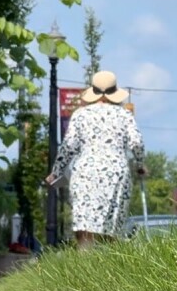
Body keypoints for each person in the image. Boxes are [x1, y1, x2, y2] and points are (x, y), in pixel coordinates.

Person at [45, 71, 146, 249]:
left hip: (85, 173)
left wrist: (56, 173)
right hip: (116, 172)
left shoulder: (80, 115)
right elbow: (136, 143)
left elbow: (68, 147)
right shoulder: (124, 115)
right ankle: (108, 267)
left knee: (85, 226)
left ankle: (85, 267)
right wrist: (139, 165)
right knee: (112, 227)